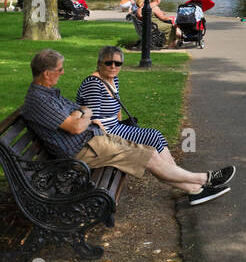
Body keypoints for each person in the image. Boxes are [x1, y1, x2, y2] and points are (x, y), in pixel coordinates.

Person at [23, 49, 232, 206]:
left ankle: (195, 190)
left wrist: (82, 114)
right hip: (82, 149)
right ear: (47, 74)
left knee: (150, 153)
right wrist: (82, 115)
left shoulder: (50, 93)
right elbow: (78, 125)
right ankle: (204, 179)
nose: (63, 72)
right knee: (149, 157)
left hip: (94, 141)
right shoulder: (39, 100)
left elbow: (82, 110)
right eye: (59, 70)